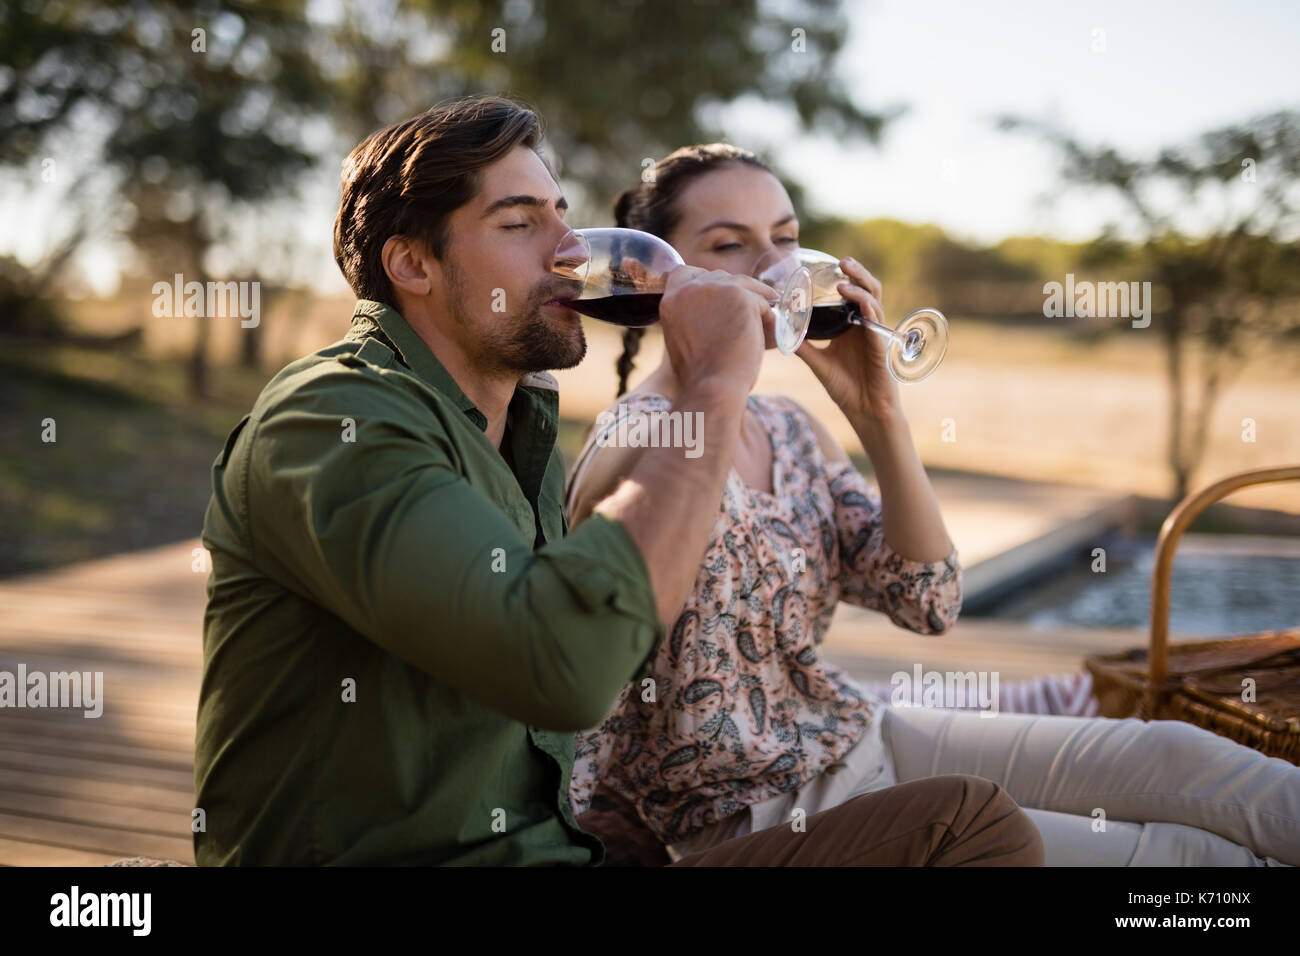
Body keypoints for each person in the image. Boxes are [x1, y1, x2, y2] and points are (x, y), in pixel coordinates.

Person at [192, 96, 1044, 867]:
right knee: (974, 828)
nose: (570, 251)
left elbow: (924, 601)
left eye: (561, 214)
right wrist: (711, 384)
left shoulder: (513, 432)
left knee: (977, 821)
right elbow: (565, 666)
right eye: (519, 223)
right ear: (412, 265)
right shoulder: (334, 420)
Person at [565, 144, 1300, 867]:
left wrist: (878, 412)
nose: (772, 265)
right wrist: (712, 374)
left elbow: (930, 600)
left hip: (861, 736)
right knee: (1183, 856)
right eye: (730, 245)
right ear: (663, 275)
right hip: (759, 813)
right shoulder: (633, 438)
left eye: (785, 238)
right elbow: (600, 626)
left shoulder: (788, 429)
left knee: (1172, 755)